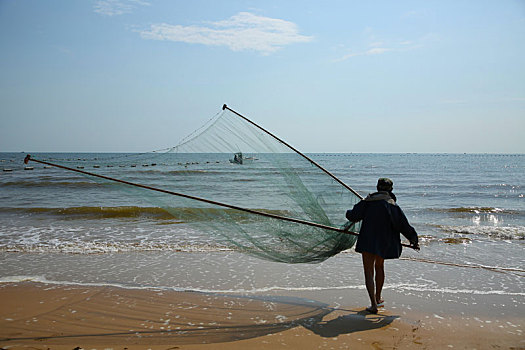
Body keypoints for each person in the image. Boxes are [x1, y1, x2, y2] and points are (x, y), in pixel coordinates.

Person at [346, 178, 419, 314]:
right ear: (391, 190)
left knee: (368, 272)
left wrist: (348, 212)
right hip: (383, 243)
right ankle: (378, 298)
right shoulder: (392, 205)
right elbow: (402, 225)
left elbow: (353, 216)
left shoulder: (368, 201)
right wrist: (413, 239)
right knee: (379, 267)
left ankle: (373, 305)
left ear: (377, 187)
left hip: (368, 241)